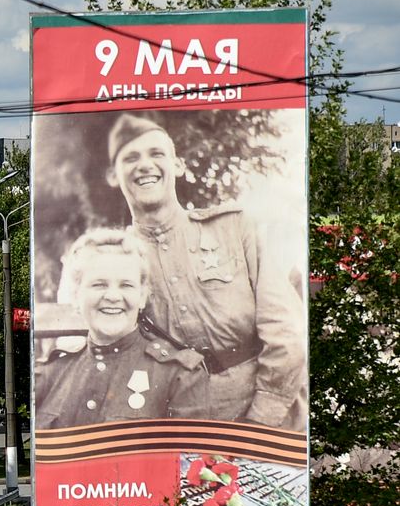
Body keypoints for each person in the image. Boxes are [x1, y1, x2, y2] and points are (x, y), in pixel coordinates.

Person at [105, 112, 306, 429]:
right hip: (176, 426)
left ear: (178, 166)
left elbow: (286, 332)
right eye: (130, 158)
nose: (144, 165)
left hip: (268, 416)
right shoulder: (115, 259)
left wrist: (261, 421)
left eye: (157, 153)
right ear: (114, 175)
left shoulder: (233, 228)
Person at [37, 228, 208, 428]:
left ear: (142, 296)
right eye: (99, 284)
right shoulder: (50, 373)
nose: (113, 296)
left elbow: (188, 458)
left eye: (126, 285)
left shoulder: (180, 375)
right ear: (76, 295)